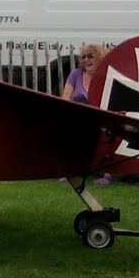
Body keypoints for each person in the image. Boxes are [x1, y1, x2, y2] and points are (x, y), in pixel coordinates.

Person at [61, 42, 111, 184]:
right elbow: (66, 98)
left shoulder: (106, 77)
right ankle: (70, 172)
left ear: (100, 58)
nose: (86, 60)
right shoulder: (75, 75)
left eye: (90, 56)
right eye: (83, 57)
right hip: (78, 117)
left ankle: (106, 174)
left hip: (101, 118)